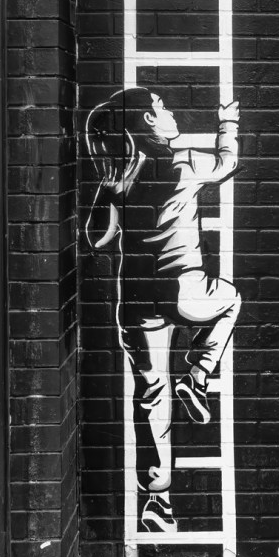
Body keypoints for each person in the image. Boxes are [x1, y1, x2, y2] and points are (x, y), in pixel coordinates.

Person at [85, 87, 241, 534]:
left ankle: (158, 501)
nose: (171, 112)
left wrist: (115, 197)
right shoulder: (185, 161)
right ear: (149, 122)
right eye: (162, 108)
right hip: (183, 288)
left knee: (152, 396)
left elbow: (96, 239)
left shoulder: (117, 176)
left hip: (135, 300)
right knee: (230, 299)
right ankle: (200, 371)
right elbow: (228, 163)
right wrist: (227, 124)